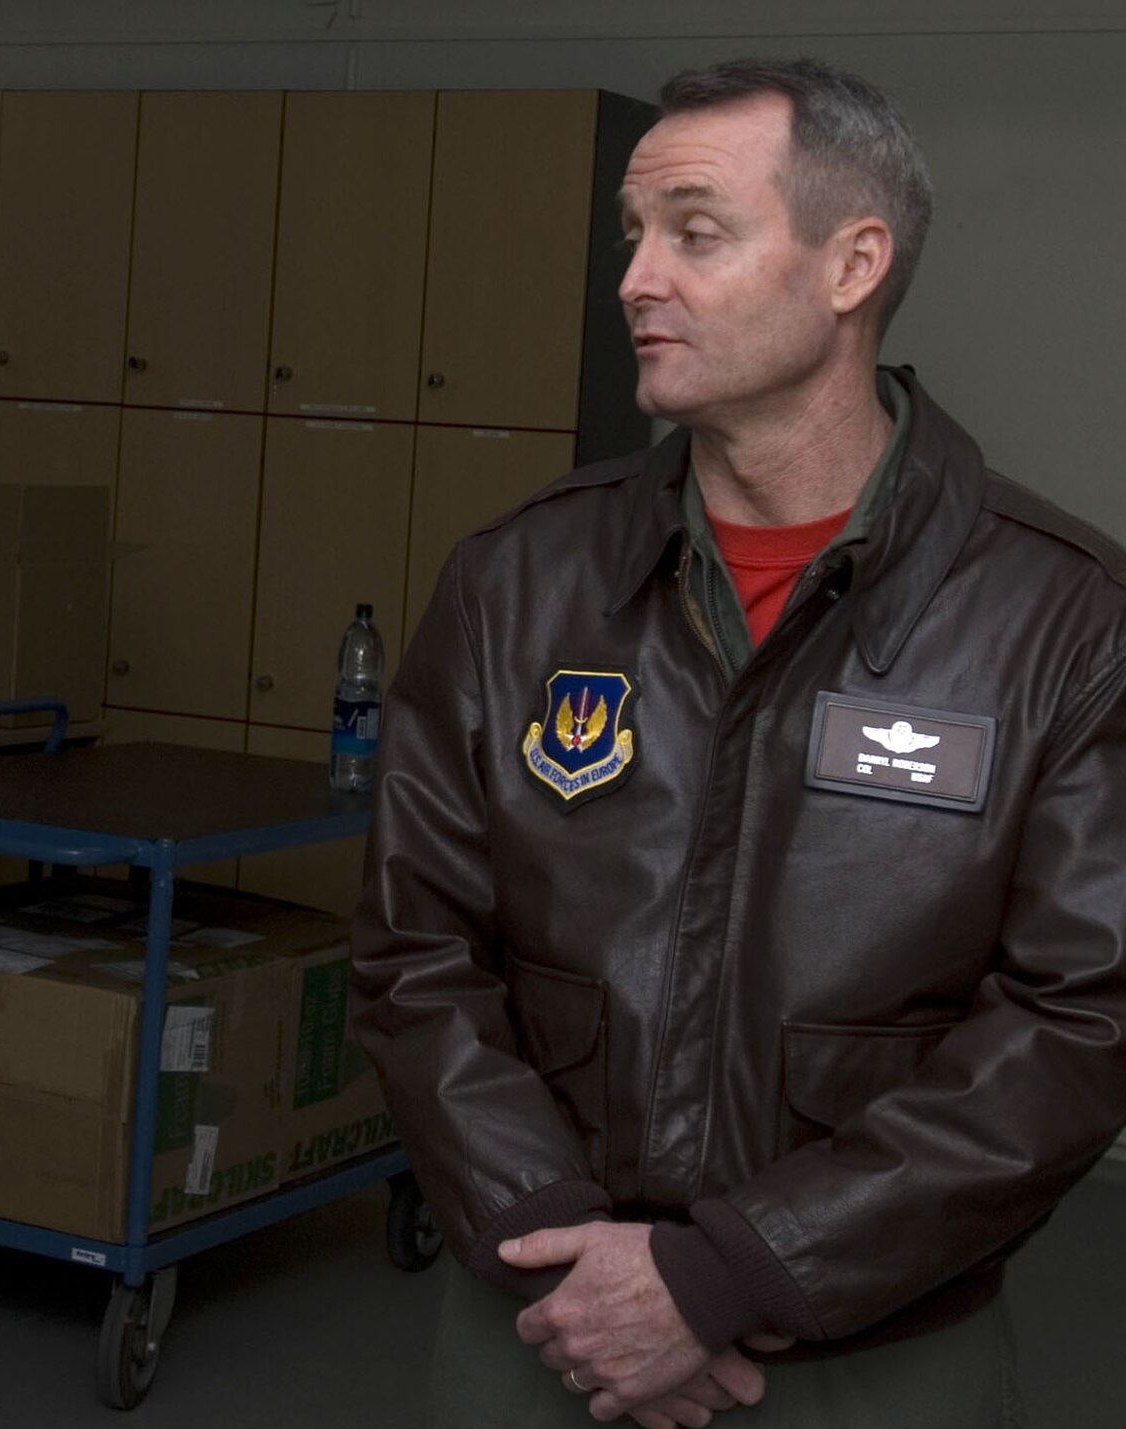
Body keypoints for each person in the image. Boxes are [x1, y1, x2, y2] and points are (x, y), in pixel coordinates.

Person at [351, 57, 1126, 1429]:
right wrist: (567, 1249)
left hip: (865, 1352)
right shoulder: (515, 583)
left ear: (852, 265)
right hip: (543, 1318)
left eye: (695, 233)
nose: (638, 279)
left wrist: (731, 1271)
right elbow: (417, 949)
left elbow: (1083, 1016)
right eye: (634, 238)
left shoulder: (1061, 616)